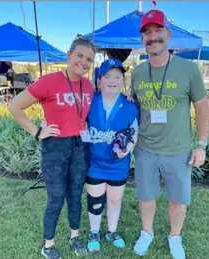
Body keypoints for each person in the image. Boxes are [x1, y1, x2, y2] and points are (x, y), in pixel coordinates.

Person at [131, 9, 209, 259]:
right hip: (144, 149)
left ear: (168, 33)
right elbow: (135, 109)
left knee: (177, 199)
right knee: (146, 197)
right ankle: (147, 232)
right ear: (142, 39)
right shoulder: (137, 73)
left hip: (178, 151)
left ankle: (175, 236)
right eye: (147, 33)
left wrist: (201, 145)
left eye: (158, 31)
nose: (153, 37)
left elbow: (202, 108)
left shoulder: (188, 69)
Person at [8, 35, 96, 259]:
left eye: (89, 59)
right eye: (79, 56)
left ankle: (75, 236)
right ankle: (48, 244)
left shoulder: (88, 86)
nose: (84, 62)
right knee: (56, 197)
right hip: (55, 147)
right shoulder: (49, 81)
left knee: (75, 195)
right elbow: (15, 106)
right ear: (69, 55)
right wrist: (37, 131)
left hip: (79, 146)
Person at [85, 58, 139, 252]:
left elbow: (134, 132)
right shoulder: (89, 100)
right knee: (96, 199)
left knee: (115, 200)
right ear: (99, 80)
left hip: (118, 164)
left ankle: (112, 231)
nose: (113, 80)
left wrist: (128, 148)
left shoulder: (131, 105)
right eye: (107, 76)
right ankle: (94, 232)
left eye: (118, 76)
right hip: (94, 162)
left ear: (123, 81)